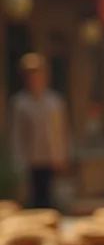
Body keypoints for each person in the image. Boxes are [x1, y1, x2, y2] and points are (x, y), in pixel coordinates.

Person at [11, 53, 68, 209]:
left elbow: (60, 132)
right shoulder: (20, 104)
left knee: (50, 201)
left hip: (50, 159)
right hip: (31, 161)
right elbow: (18, 136)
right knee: (33, 202)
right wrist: (18, 163)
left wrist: (61, 155)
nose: (34, 78)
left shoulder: (54, 102)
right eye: (30, 75)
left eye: (37, 74)